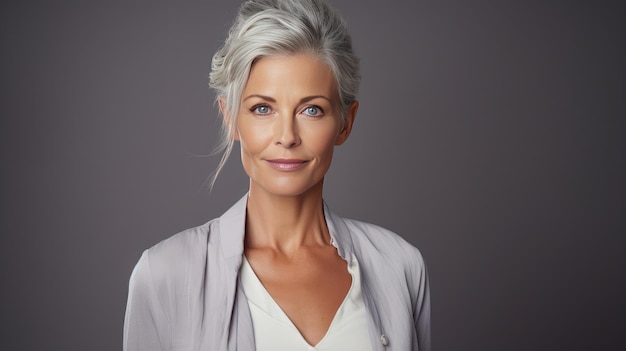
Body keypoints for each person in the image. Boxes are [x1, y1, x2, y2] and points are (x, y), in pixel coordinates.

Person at [123, 0, 431, 350]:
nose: (287, 136)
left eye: (311, 109)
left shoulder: (399, 266)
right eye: (262, 108)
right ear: (231, 118)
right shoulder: (165, 275)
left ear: (346, 122)